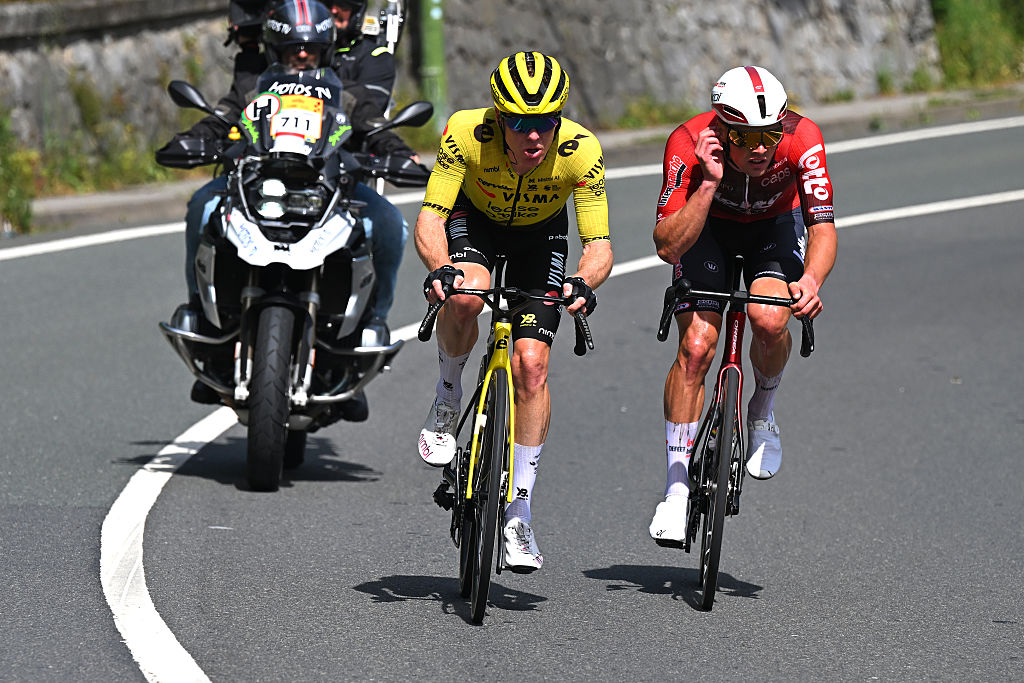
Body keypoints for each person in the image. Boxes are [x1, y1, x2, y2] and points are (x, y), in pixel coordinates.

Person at [159, 0, 420, 415]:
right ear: (274, 50)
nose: (302, 55)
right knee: (201, 208)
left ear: (326, 51)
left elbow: (370, 122)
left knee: (389, 224)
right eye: (293, 49)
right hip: (256, 181)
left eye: (311, 49)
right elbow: (225, 114)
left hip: (333, 184)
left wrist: (399, 154)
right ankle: (204, 315)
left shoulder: (345, 91)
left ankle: (366, 329)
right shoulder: (255, 86)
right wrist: (193, 139)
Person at [414, 51, 614, 571]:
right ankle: (447, 395)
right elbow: (431, 217)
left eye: (545, 122)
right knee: (465, 294)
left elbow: (598, 243)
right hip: (475, 224)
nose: (534, 137)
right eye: (521, 124)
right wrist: (440, 268)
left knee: (531, 364)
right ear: (499, 118)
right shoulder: (464, 132)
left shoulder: (579, 151)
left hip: (539, 240)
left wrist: (583, 283)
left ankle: (519, 513)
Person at [648, 65, 837, 543]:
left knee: (769, 319)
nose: (760, 148)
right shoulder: (687, 142)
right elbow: (668, 246)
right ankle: (675, 490)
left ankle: (762, 411)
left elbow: (822, 226)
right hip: (706, 226)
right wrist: (708, 183)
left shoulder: (802, 138)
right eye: (745, 137)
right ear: (721, 129)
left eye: (770, 133)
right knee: (695, 346)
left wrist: (811, 280)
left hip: (773, 228)